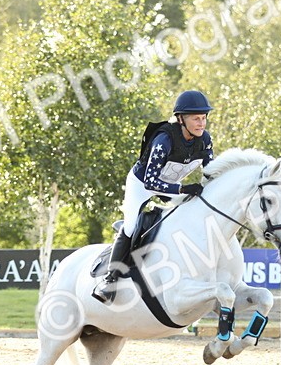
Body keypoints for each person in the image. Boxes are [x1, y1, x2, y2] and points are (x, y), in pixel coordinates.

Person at [92, 90, 215, 303]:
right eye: (196, 118)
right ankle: (109, 279)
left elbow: (211, 172)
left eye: (203, 118)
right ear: (181, 119)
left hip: (171, 186)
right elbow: (151, 182)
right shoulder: (163, 140)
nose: (201, 123)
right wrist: (183, 189)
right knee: (131, 226)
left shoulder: (205, 140)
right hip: (142, 184)